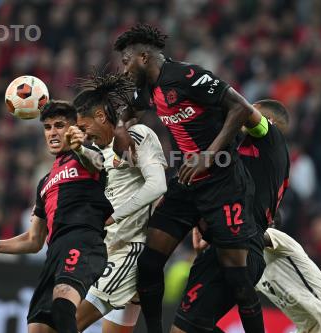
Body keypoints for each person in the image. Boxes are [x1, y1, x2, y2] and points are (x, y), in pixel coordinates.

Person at [114, 23, 265, 333]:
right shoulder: (147, 89)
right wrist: (120, 125)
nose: (124, 69)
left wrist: (208, 154)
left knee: (238, 277)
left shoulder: (187, 76)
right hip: (185, 182)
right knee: (150, 262)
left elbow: (240, 107)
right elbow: (130, 111)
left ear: (144, 56)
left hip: (223, 183)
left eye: (126, 61)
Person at [0, 101, 113, 333]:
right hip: (53, 254)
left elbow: (99, 163)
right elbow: (33, 240)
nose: (53, 133)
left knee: (62, 304)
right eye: (48, 127)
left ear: (74, 128)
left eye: (60, 125)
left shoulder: (89, 156)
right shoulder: (44, 183)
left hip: (83, 241)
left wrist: (80, 147)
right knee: (38, 327)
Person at [174, 99, 290, 332]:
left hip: (237, 245)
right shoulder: (256, 155)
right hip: (234, 245)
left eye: (251, 114)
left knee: (184, 328)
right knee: (196, 325)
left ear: (270, 122)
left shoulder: (270, 137)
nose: (240, 120)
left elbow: (241, 109)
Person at [71, 71, 167, 333]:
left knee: (66, 324)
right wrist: (79, 148)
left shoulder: (138, 134)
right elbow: (101, 164)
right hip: (109, 250)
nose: (85, 134)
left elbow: (158, 184)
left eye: (84, 127)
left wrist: (116, 215)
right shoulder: (103, 149)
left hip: (129, 252)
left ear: (101, 116)